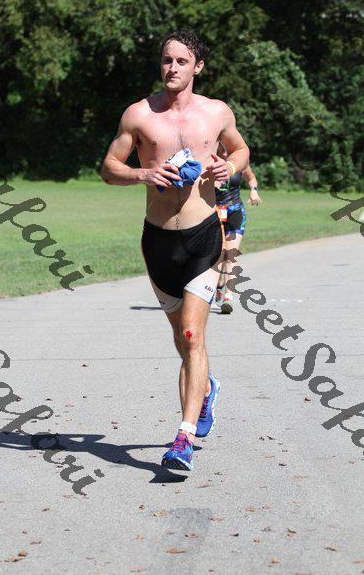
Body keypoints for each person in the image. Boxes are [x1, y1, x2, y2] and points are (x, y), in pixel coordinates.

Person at [101, 28, 249, 471]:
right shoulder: (139, 115)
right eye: (167, 60)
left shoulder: (216, 112)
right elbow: (108, 168)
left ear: (197, 67)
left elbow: (241, 149)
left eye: (182, 61)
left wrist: (229, 166)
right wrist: (143, 174)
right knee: (182, 342)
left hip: (203, 236)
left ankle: (183, 438)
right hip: (158, 241)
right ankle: (206, 389)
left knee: (191, 335)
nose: (172, 68)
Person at [215, 146, 262, 314]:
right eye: (222, 148)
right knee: (218, 255)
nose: (225, 152)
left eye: (227, 148)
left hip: (235, 212)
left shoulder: (239, 162)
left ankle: (228, 296)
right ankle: (219, 284)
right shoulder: (209, 162)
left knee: (230, 255)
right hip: (214, 214)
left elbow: (251, 178)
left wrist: (254, 191)